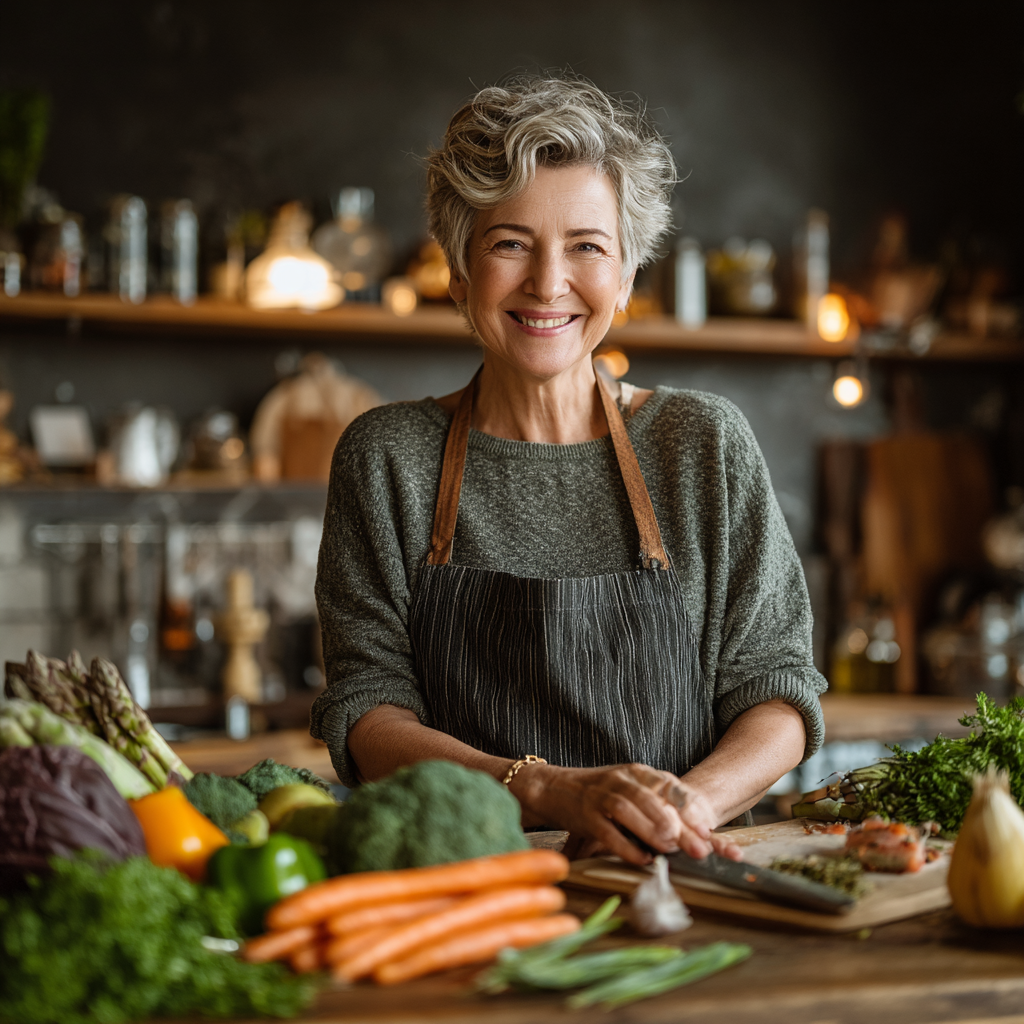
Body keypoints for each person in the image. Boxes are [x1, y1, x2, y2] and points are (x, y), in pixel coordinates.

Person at [312, 75, 827, 866]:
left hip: (673, 877)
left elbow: (777, 691)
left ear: (624, 277)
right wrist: (551, 792)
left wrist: (681, 811)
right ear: (457, 272)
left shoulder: (701, 443)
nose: (548, 283)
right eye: (509, 243)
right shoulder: (388, 458)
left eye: (586, 246)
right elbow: (368, 714)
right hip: (465, 892)